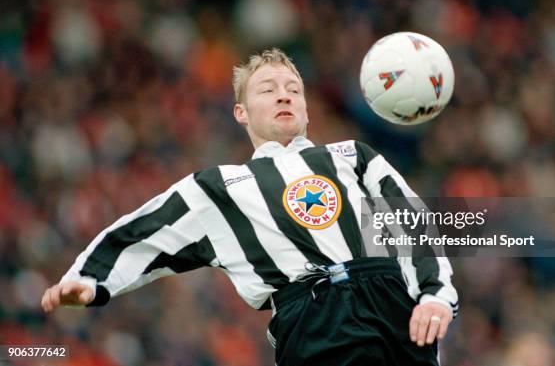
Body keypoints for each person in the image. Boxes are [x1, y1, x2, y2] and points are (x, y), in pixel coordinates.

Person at [41, 48, 458, 366]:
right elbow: (147, 232)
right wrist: (90, 279)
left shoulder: (351, 156)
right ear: (241, 112)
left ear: (307, 109)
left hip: (392, 304)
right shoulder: (219, 187)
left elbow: (412, 222)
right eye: (268, 89)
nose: (284, 96)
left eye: (294, 89)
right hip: (311, 319)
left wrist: (436, 294)